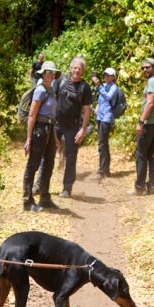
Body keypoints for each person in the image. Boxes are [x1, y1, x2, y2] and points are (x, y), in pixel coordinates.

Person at [23, 60, 59, 212]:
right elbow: (32, 115)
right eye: (48, 72)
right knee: (34, 164)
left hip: (49, 129)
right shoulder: (40, 90)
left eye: (52, 72)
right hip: (39, 129)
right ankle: (27, 200)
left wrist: (55, 138)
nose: (50, 75)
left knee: (49, 163)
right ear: (42, 74)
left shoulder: (50, 90)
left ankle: (44, 197)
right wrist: (29, 138)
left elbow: (51, 117)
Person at [55, 56, 92, 199]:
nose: (77, 70)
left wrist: (83, 129)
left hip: (73, 127)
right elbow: (52, 99)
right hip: (56, 124)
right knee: (46, 153)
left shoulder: (85, 87)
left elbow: (87, 110)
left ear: (83, 71)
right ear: (70, 69)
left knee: (70, 158)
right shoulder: (61, 81)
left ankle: (67, 188)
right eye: (75, 68)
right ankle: (40, 184)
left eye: (80, 68)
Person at [131, 57, 154, 195]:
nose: (145, 70)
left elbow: (150, 103)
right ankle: (151, 186)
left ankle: (140, 188)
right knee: (152, 155)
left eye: (148, 67)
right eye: (143, 68)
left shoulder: (151, 82)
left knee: (141, 154)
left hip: (148, 124)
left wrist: (140, 122)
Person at [93, 67, 119, 181]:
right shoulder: (104, 85)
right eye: (105, 75)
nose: (106, 77)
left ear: (114, 77)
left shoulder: (114, 87)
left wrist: (99, 86)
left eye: (108, 75)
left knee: (102, 144)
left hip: (107, 118)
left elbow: (108, 97)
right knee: (103, 143)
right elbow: (100, 99)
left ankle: (102, 170)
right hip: (100, 116)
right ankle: (105, 169)